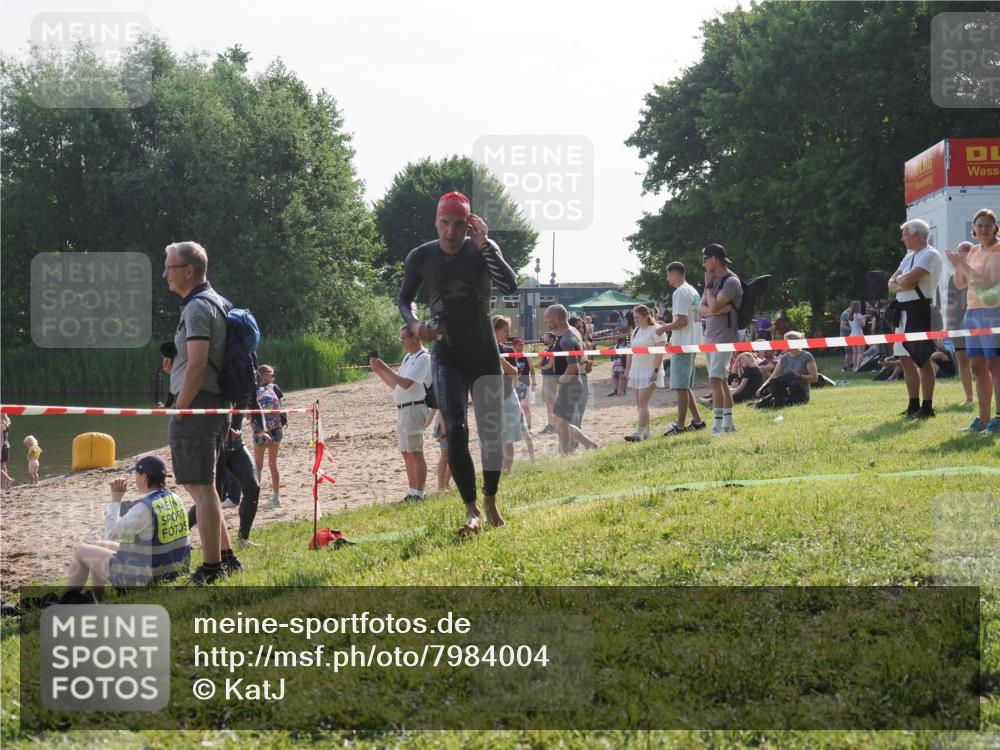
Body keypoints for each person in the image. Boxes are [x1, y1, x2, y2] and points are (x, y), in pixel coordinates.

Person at [397, 191, 517, 534]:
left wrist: (487, 246)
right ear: (436, 222)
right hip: (447, 355)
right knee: (457, 432)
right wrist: (416, 324)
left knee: (491, 434)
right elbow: (405, 299)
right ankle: (471, 509)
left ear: (470, 224)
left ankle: (491, 498)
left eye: (459, 224)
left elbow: (510, 284)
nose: (451, 231)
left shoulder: (481, 251)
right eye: (445, 223)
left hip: (483, 353)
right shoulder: (422, 256)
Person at [163, 240, 239, 584]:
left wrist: (180, 407)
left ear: (188, 270)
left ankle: (211, 568)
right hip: (215, 404)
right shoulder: (218, 302)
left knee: (201, 486)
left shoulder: (196, 306)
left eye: (169, 267)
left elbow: (197, 365)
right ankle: (226, 557)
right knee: (203, 486)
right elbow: (196, 362)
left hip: (197, 406)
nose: (165, 274)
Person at [58, 455, 190, 603]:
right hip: (171, 568)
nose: (135, 479)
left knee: (82, 550)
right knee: (98, 545)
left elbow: (111, 533)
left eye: (136, 475)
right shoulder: (175, 498)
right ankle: (96, 598)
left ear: (145, 477)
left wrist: (115, 500)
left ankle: (69, 598)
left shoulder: (145, 508)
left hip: (147, 578)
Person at [945, 208, 1000, 435]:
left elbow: (987, 282)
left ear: (996, 227)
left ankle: (998, 419)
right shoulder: (975, 251)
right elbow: (960, 284)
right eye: (980, 226)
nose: (984, 229)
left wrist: (963, 265)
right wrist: (958, 264)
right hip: (973, 312)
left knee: (995, 366)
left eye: (988, 225)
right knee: (977, 367)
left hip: (994, 312)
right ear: (973, 230)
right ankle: (983, 418)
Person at [888, 219, 943, 419]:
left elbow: (909, 280)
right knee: (904, 358)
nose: (903, 238)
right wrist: (902, 282)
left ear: (917, 235)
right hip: (902, 312)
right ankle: (913, 405)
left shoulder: (930, 254)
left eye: (905, 234)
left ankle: (927, 407)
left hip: (919, 311)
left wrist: (902, 281)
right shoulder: (909, 256)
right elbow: (891, 282)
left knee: (922, 359)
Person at [370, 326, 433, 502]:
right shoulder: (408, 357)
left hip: (415, 407)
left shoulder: (424, 358)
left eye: (403, 338)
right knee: (406, 451)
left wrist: (386, 367)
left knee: (415, 450)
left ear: (415, 338)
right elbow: (395, 385)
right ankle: (412, 490)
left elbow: (405, 383)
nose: (401, 342)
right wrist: (379, 371)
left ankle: (419, 493)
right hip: (403, 409)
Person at [656, 261, 707, 436]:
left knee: (680, 387)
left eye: (668, 274)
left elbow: (681, 321)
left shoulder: (679, 292)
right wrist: (670, 326)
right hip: (692, 342)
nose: (667, 278)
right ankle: (698, 421)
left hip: (683, 344)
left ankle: (679, 426)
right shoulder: (692, 290)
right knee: (685, 386)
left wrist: (663, 328)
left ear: (675, 273)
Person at [699, 243, 742, 436]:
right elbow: (702, 308)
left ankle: (717, 426)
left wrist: (710, 290)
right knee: (722, 382)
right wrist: (713, 311)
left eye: (705, 259)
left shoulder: (731, 281)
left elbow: (714, 305)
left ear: (714, 259)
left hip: (725, 338)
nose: (704, 264)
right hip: (709, 338)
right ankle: (729, 423)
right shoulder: (713, 280)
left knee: (714, 380)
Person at [544, 304, 599, 454]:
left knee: (561, 422)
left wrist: (560, 381)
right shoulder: (570, 332)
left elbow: (573, 367)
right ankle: (584, 446)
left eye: (548, 318)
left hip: (571, 383)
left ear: (556, 318)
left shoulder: (566, 339)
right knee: (559, 422)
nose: (546, 321)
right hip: (573, 383)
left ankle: (569, 452)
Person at [494, 316, 535, 469]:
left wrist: (502, 361)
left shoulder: (507, 350)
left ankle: (507, 472)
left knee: (508, 439)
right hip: (489, 399)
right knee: (492, 439)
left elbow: (515, 374)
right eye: (505, 331)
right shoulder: (482, 348)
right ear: (495, 330)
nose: (507, 334)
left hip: (506, 397)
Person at [622, 305, 666, 441]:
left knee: (642, 401)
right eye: (634, 317)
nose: (635, 320)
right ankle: (647, 432)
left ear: (647, 316)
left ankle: (638, 433)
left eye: (637, 317)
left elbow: (660, 352)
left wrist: (655, 370)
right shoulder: (635, 330)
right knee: (639, 403)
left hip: (650, 369)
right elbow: (631, 352)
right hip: (637, 369)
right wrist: (627, 370)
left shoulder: (656, 330)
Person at [252, 364, 287, 508]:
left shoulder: (253, 390)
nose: (273, 378)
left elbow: (251, 413)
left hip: (260, 431)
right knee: (273, 465)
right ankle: (276, 498)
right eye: (272, 375)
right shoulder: (275, 388)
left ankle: (254, 500)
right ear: (265, 376)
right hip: (276, 431)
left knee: (258, 467)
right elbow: (280, 407)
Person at [754, 331, 819, 407]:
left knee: (789, 376)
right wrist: (762, 388)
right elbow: (773, 377)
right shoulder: (784, 358)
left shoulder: (807, 356)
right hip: (786, 391)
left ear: (793, 343)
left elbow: (814, 378)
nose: (782, 344)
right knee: (761, 404)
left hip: (801, 393)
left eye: (785, 341)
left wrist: (798, 376)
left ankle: (777, 402)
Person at [946, 244, 975, 405]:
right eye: (960, 254)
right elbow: (950, 303)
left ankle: (988, 394)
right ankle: (969, 397)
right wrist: (948, 325)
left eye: (964, 254)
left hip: (978, 320)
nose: (961, 257)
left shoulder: (978, 275)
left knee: (984, 362)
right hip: (958, 323)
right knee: (962, 360)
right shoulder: (953, 279)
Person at [511, 337, 537, 431]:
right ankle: (518, 426)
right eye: (519, 345)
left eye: (522, 345)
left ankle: (529, 427)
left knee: (526, 406)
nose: (521, 346)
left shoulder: (526, 356)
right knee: (515, 406)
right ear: (514, 346)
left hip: (525, 383)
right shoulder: (510, 356)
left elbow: (532, 370)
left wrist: (534, 383)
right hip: (513, 384)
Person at [431, 411, 451, 492]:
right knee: (445, 455)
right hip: (445, 424)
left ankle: (445, 482)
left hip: (453, 422)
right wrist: (444, 431)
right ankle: (441, 485)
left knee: (454, 456)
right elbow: (441, 409)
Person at [848, 300, 867, 371]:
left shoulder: (850, 315)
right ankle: (858, 367)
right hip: (859, 334)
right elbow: (863, 324)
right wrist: (864, 319)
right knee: (860, 352)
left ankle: (855, 367)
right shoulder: (858, 315)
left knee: (854, 352)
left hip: (852, 334)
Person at [2, 414, 13, 490]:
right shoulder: (6, 423)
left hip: (1, 448)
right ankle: (5, 485)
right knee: (3, 466)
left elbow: (1, 440)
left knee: (2, 467)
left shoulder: (1, 425)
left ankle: (8, 480)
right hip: (6, 446)